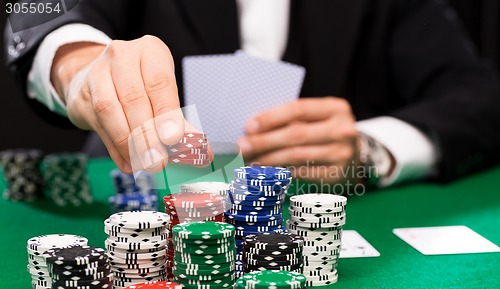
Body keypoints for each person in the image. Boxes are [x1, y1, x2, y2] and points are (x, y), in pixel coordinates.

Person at [4, 0, 500, 188]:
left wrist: (371, 147)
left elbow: (479, 92)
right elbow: (39, 7)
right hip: (143, 187)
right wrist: (75, 62)